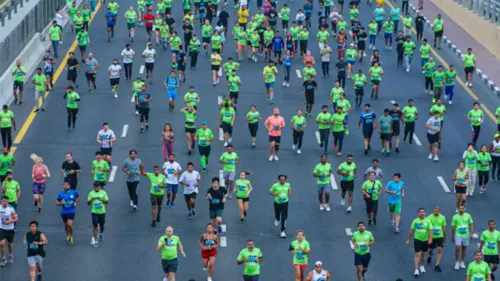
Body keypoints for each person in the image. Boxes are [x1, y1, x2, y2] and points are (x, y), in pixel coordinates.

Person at [407, 208, 433, 277]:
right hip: (417, 239)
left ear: (425, 213)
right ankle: (416, 269)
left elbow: (430, 230)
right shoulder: (415, 221)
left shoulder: (428, 221)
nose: (422, 213)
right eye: (420, 212)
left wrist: (430, 238)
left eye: (423, 212)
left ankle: (422, 265)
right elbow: (411, 231)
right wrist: (408, 239)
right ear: (418, 213)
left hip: (425, 240)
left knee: (423, 254)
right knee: (417, 254)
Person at [452, 205, 476, 270]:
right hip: (458, 234)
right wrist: (452, 236)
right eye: (460, 208)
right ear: (458, 209)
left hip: (466, 234)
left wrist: (472, 234)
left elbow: (471, 224)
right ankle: (457, 262)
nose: (461, 209)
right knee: (458, 247)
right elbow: (453, 227)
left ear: (464, 209)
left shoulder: (468, 215)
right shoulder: (455, 217)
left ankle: (462, 261)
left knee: (464, 249)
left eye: (462, 208)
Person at [87, 182, 109, 248]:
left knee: (102, 225)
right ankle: (96, 241)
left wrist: (102, 200)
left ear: (100, 187)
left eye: (97, 187)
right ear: (93, 187)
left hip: (102, 212)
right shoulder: (91, 193)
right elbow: (88, 203)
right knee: (95, 226)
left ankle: (101, 233)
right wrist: (92, 199)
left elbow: (107, 202)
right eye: (95, 187)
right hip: (94, 212)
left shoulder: (103, 193)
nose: (96, 188)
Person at [426, 206, 446, 272]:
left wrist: (444, 237)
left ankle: (437, 265)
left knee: (439, 250)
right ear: (433, 210)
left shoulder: (443, 217)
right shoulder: (429, 217)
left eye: (437, 211)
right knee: (431, 250)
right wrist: (429, 237)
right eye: (434, 211)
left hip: (440, 236)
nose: (435, 212)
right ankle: (430, 256)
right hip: (432, 236)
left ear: (439, 211)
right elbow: (427, 228)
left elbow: (444, 227)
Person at [0, 195, 17, 267]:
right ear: (1, 201)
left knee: (10, 244)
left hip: (10, 228)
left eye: (6, 201)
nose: (5, 203)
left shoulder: (11, 208)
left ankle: (10, 255)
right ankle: (3, 258)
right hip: (1, 228)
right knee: (1, 243)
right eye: (3, 201)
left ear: (8, 201)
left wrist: (8, 222)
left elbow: (16, 219)